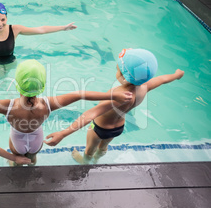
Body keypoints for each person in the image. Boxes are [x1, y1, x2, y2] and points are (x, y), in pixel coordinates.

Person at [0, 59, 133, 166]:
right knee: (33, 157)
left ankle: (15, 165)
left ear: (17, 84)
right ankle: (32, 165)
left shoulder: (9, 106)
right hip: (37, 140)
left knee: (15, 158)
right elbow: (80, 94)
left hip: (17, 141)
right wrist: (112, 97)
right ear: (42, 86)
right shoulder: (48, 104)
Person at [44, 48, 185, 164]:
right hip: (118, 128)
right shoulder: (144, 86)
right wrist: (176, 75)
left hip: (99, 129)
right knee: (103, 147)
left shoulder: (119, 96)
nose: (116, 71)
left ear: (124, 76)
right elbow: (162, 79)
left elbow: (90, 115)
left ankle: (85, 161)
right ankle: (98, 159)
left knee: (89, 149)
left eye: (117, 69)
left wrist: (63, 133)